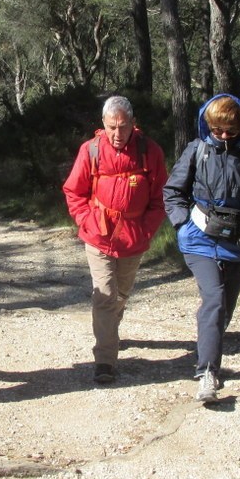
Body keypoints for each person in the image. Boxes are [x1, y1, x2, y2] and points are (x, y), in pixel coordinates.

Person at [163, 94, 240, 403]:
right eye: (218, 130)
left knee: (223, 309)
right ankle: (207, 374)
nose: (224, 136)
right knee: (213, 301)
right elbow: (173, 191)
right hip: (200, 240)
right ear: (208, 125)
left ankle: (209, 341)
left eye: (231, 130)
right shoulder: (197, 150)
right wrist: (181, 224)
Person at [62, 95, 168, 384]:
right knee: (105, 295)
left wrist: (145, 230)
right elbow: (74, 191)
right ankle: (105, 360)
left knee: (121, 294)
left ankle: (110, 331)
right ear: (103, 124)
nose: (117, 134)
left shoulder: (150, 151)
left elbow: (161, 199)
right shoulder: (90, 150)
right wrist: (86, 220)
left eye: (123, 127)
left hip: (133, 238)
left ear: (133, 124)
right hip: (99, 236)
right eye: (111, 127)